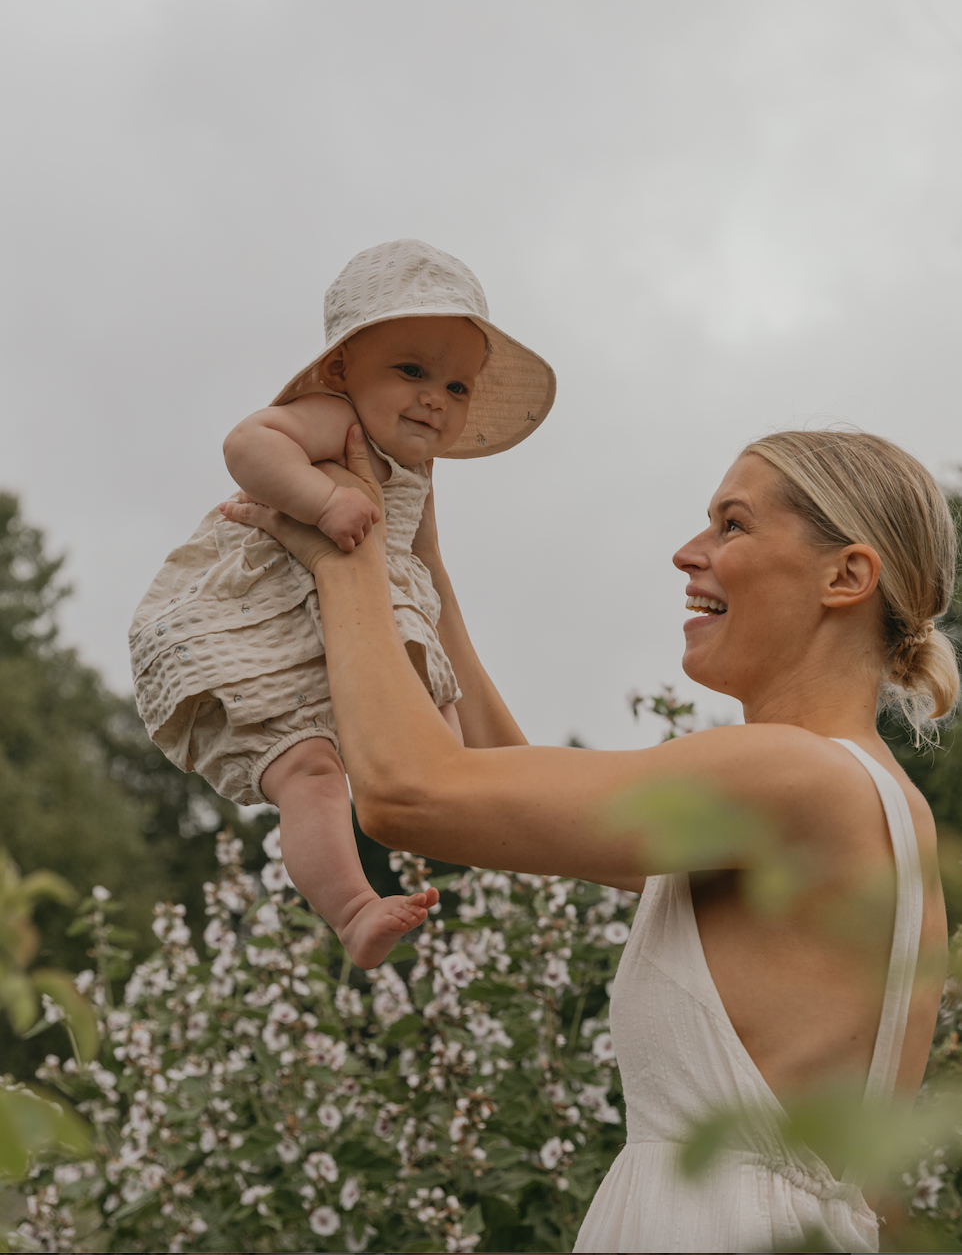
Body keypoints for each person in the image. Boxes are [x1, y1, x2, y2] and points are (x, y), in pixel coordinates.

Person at [220, 426, 955, 1254]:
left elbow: (407, 793)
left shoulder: (792, 778)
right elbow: (501, 790)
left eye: (732, 525)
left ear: (846, 575)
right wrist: (416, 570)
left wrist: (342, 557)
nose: (687, 552)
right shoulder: (870, 799)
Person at [128, 239, 555, 968]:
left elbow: (422, 570)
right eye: (413, 371)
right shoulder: (335, 419)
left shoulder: (415, 472)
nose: (433, 399)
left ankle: (453, 798)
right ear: (340, 370)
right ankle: (353, 908)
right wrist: (323, 499)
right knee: (311, 772)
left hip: (366, 620)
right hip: (270, 629)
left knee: (435, 723)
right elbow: (248, 443)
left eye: (456, 388)